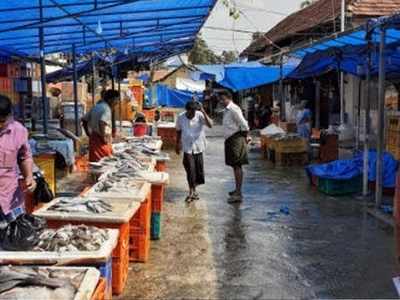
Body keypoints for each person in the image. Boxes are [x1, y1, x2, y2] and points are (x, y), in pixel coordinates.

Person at [0, 95, 35, 225]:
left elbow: (25, 156)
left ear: (10, 115)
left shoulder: (19, 131)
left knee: (14, 239)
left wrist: (29, 177)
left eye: (2, 121)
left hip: (10, 198)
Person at [176, 100, 213, 202]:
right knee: (190, 169)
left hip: (198, 146)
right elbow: (178, 130)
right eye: (190, 112)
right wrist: (177, 144)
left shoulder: (200, 115)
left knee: (198, 171)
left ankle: (194, 190)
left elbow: (210, 125)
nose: (192, 114)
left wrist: (203, 111)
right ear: (187, 110)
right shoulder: (181, 117)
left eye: (194, 112)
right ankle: (191, 191)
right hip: (187, 147)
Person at [220, 90, 250, 203]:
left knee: (237, 165)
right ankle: (237, 190)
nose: (221, 101)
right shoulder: (227, 110)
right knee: (234, 165)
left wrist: (245, 136)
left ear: (229, 98)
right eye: (220, 99)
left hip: (236, 139)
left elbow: (244, 124)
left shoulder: (233, 108)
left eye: (223, 99)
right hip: (230, 139)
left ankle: (238, 193)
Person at [82, 89, 119, 162]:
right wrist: (103, 137)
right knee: (105, 163)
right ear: (111, 99)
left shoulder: (96, 106)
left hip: (94, 138)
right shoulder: (107, 109)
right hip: (101, 141)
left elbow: (84, 120)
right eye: (116, 100)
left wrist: (88, 133)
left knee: (95, 163)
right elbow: (102, 122)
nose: (117, 102)